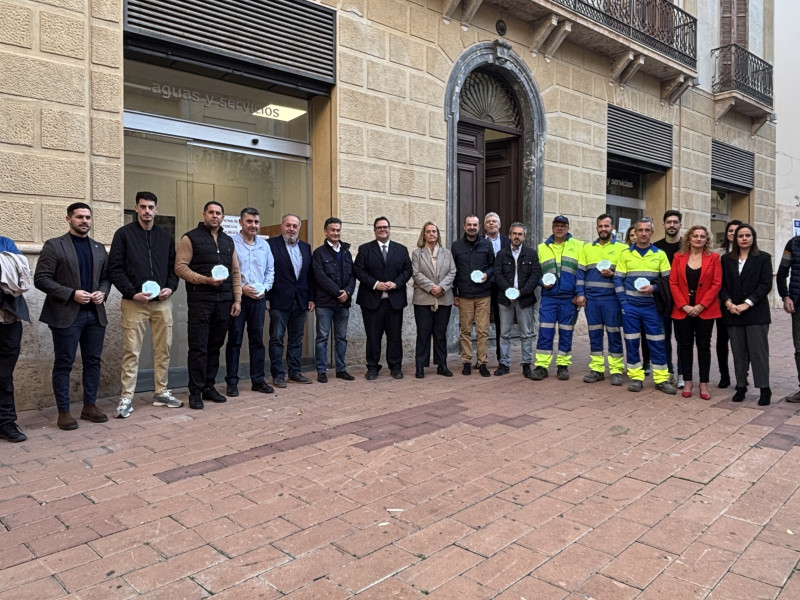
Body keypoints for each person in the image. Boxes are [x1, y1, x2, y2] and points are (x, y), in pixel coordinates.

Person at [34, 202, 111, 429]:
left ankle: (89, 406)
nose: (84, 221)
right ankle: (64, 412)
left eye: (88, 217)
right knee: (64, 363)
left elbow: (107, 278)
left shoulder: (98, 248)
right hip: (66, 315)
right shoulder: (55, 246)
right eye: (79, 217)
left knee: (93, 362)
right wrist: (71, 294)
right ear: (68, 219)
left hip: (95, 315)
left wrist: (103, 292)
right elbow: (41, 279)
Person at [109, 191, 182, 419]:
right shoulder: (123, 235)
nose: (147, 211)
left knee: (164, 349)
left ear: (156, 210)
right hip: (134, 303)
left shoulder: (165, 237)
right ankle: (126, 398)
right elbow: (115, 268)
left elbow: (174, 269)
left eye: (151, 207)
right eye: (143, 207)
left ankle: (161, 391)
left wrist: (170, 288)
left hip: (162, 303)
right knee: (131, 350)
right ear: (136, 208)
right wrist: (132, 292)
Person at [175, 201, 242, 409]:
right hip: (200, 301)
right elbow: (180, 268)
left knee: (215, 346)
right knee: (198, 347)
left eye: (218, 213)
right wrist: (205, 280)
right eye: (211, 212)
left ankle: (208, 386)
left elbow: (236, 272)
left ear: (223, 217)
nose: (215, 216)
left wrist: (237, 299)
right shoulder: (190, 238)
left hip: (224, 302)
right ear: (204, 214)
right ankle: (195, 391)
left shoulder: (228, 241)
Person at [614, 217, 676, 394]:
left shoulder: (660, 254)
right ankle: (636, 377)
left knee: (658, 343)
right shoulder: (625, 254)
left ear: (652, 232)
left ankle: (661, 379)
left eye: (646, 230)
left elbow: (668, 280)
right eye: (640, 230)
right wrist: (623, 302)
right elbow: (618, 278)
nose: (643, 233)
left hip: (653, 308)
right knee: (632, 342)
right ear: (636, 232)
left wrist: (654, 287)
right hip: (631, 307)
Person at [720, 224, 773, 406]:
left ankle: (764, 389)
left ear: (753, 237)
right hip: (733, 312)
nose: (744, 238)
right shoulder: (726, 259)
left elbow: (765, 285)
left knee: (758, 352)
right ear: (735, 239)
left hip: (756, 313)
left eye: (747, 235)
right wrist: (728, 303)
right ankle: (741, 386)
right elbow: (722, 285)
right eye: (740, 235)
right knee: (738, 352)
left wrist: (747, 304)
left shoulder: (763, 258)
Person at [353, 216, 412, 380]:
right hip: (372, 301)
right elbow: (358, 270)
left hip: (394, 300)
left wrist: (396, 284)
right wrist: (375, 284)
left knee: (395, 336)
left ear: (389, 229)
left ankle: (395, 367)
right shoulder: (365, 249)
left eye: (385, 227)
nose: (382, 230)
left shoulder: (401, 249)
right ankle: (372, 367)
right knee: (373, 336)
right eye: (379, 227)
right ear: (374, 230)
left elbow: (407, 270)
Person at [224, 207, 275, 396]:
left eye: (256, 222)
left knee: (257, 341)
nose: (253, 225)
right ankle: (232, 382)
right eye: (249, 222)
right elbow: (228, 272)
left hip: (259, 300)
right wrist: (241, 289)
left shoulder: (264, 245)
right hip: (239, 299)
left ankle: (258, 380)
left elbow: (270, 271)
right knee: (235, 340)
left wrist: (265, 288)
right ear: (240, 223)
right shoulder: (231, 243)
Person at [669, 226, 722, 400]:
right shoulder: (678, 257)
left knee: (704, 346)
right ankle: (688, 380)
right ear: (689, 238)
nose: (698, 239)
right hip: (682, 309)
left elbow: (716, 284)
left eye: (702, 236)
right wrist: (684, 305)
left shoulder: (713, 258)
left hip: (705, 310)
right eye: (695, 236)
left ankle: (704, 383)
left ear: (707, 240)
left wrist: (701, 305)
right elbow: (673, 283)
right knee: (684, 346)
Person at [577, 214, 627, 386]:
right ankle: (597, 369)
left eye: (606, 226)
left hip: (612, 299)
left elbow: (626, 274)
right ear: (596, 228)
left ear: (612, 228)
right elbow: (580, 273)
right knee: (595, 335)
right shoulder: (587, 248)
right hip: (592, 300)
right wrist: (580, 293)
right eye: (600, 226)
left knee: (614, 335)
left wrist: (613, 274)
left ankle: (616, 370)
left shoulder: (622, 248)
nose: (603, 229)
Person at [531, 215, 583, 381]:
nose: (559, 228)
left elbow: (583, 272)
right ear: (552, 228)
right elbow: (536, 273)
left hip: (569, 298)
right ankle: (541, 366)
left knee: (566, 332)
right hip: (549, 297)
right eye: (556, 226)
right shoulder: (541, 248)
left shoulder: (579, 246)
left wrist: (580, 293)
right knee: (545, 331)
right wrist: (541, 282)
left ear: (568, 228)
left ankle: (563, 365)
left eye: (563, 226)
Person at [267, 214, 315, 387]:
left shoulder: (306, 247)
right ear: (282, 226)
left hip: (301, 300)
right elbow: (265, 271)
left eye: (295, 226)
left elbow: (309, 276)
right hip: (278, 300)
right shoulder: (271, 245)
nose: (291, 229)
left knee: (296, 339)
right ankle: (278, 374)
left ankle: (294, 372)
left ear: (299, 228)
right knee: (277, 339)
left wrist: (311, 297)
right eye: (288, 225)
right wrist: (266, 296)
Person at [494, 222, 541, 378]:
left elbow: (535, 276)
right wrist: (508, 290)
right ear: (509, 235)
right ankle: (504, 363)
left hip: (524, 298)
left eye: (520, 234)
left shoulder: (531, 254)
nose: (517, 237)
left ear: (524, 237)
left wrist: (522, 292)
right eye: (514, 234)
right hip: (505, 298)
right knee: (504, 332)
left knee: (526, 333)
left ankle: (526, 364)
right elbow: (498, 274)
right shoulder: (501, 254)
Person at [312, 217, 356, 382]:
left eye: (338, 230)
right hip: (325, 303)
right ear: (326, 231)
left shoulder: (346, 252)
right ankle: (321, 371)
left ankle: (341, 369)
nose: (336, 233)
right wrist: (338, 292)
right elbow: (320, 277)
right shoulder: (319, 253)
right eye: (332, 230)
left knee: (341, 337)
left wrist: (348, 292)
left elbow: (352, 275)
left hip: (343, 303)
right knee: (322, 337)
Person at [411, 221, 457, 378]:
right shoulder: (417, 253)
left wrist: (441, 287)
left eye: (434, 231)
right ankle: (420, 365)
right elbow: (416, 274)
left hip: (444, 298)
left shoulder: (447, 253)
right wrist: (432, 287)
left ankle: (442, 364)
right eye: (429, 231)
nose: (432, 234)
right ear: (424, 234)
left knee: (440, 333)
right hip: (423, 298)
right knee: (423, 333)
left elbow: (452, 272)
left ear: (438, 235)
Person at [451, 215, 495, 377]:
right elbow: (453, 272)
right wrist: (454, 294)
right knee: (465, 330)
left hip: (483, 294)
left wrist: (487, 274)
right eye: (469, 224)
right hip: (464, 295)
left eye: (475, 225)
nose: (472, 227)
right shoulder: (456, 246)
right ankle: (467, 361)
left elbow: (492, 266)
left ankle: (482, 362)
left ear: (479, 227)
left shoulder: (486, 244)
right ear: (464, 226)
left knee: (483, 331)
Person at [0, 231, 31, 442]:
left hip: (8, 320)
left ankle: (6, 422)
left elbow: (18, 279)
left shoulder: (5, 242)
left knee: (3, 376)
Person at [654, 210, 683, 387]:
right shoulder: (656, 248)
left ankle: (682, 373)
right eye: (669, 222)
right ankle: (668, 371)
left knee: (682, 339)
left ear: (680, 225)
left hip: (681, 302)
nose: (672, 225)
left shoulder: (686, 248)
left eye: (675, 222)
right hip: (662, 301)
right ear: (663, 225)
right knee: (663, 339)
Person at [713, 219, 742, 388]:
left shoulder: (748, 252)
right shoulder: (717, 253)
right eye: (730, 231)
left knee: (739, 342)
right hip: (722, 303)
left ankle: (742, 375)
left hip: (742, 304)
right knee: (722, 340)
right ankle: (724, 375)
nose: (733, 233)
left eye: (737, 231)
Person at [777, 226, 800, 403]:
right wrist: (785, 296)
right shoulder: (793, 244)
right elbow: (782, 273)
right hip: (797, 305)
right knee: (799, 349)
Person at [484, 212, 510, 363]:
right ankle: (482, 358)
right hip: (485, 287)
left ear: (499, 225)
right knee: (482, 323)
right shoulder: (480, 242)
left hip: (502, 288)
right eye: (488, 222)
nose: (491, 224)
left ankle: (502, 357)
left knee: (502, 322)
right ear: (485, 226)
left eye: (494, 221)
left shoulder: (507, 241)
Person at [625, 225, 650, 374]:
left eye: (637, 234)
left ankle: (647, 362)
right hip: (630, 302)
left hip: (647, 303)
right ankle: (633, 364)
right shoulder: (624, 253)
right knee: (631, 336)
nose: (636, 237)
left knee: (646, 335)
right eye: (632, 235)